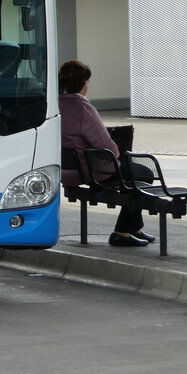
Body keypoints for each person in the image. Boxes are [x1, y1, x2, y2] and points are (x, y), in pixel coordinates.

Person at [58, 59, 155, 247]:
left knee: (134, 174)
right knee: (144, 174)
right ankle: (122, 232)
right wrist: (118, 152)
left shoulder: (56, 105)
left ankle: (134, 228)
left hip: (66, 170)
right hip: (92, 171)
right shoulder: (83, 108)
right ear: (83, 84)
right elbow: (104, 144)